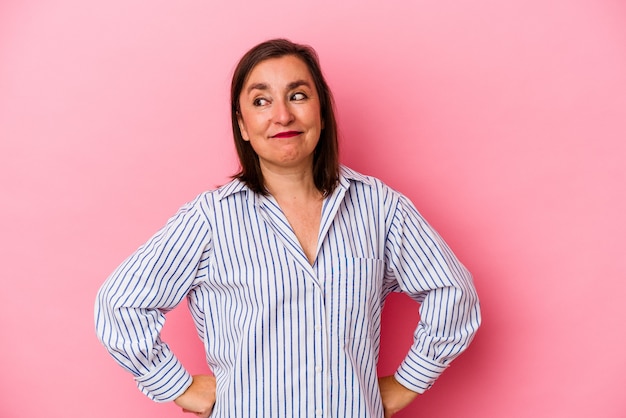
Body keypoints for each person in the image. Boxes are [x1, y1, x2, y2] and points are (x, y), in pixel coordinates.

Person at [95, 38, 481, 418]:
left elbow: (453, 293)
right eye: (261, 101)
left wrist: (409, 381)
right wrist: (176, 385)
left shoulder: (379, 207)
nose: (282, 115)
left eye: (297, 95)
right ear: (243, 126)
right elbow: (120, 305)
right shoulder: (210, 219)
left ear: (322, 112)